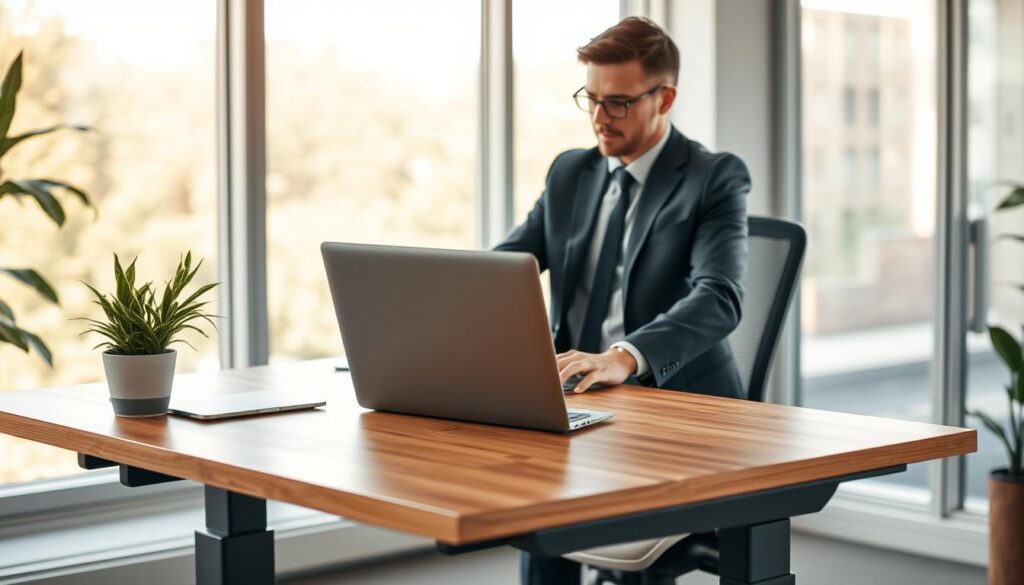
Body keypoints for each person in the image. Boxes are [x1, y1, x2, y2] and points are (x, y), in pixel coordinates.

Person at [494, 17, 751, 584]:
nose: (598, 118)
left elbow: (720, 297)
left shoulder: (712, 178)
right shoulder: (571, 172)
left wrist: (625, 355)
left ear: (665, 98)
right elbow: (509, 265)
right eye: (590, 98)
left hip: (675, 417)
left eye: (618, 103)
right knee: (534, 510)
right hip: (575, 399)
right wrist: (447, 301)